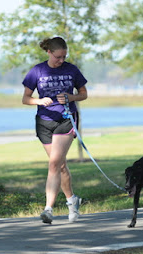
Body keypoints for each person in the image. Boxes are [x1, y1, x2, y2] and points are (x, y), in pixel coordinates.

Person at [22, 37, 88, 224]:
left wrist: (70, 97)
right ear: (49, 52)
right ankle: (72, 200)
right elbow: (26, 98)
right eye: (59, 57)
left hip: (66, 119)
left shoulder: (71, 69)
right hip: (44, 122)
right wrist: (39, 101)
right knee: (59, 166)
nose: (61, 60)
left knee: (53, 164)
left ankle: (48, 209)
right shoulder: (37, 71)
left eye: (64, 56)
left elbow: (84, 94)